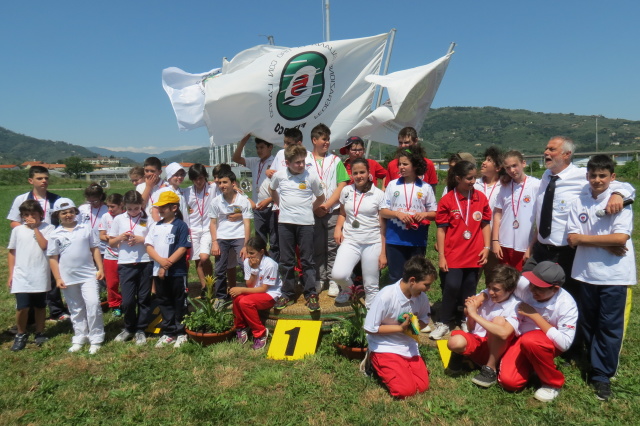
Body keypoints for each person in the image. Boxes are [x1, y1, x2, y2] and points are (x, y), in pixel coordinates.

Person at [566, 154, 636, 401]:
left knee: (608, 326)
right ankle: (590, 361)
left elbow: (620, 239)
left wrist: (588, 240)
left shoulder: (621, 202)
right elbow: (572, 238)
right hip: (585, 273)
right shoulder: (580, 201)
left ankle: (602, 376)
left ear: (612, 177)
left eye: (602, 176)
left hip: (614, 275)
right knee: (587, 322)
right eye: (593, 175)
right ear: (587, 176)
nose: (597, 180)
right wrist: (604, 242)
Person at [497, 261, 578, 402]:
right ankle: (532, 366)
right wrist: (481, 296)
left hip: (542, 342)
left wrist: (535, 316)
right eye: (532, 284)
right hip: (520, 337)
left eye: (539, 288)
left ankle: (552, 383)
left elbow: (564, 344)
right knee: (509, 382)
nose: (532, 289)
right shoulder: (526, 285)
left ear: (555, 289)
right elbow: (499, 285)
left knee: (531, 341)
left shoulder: (567, 304)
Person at [431, 161, 491, 340]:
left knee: (469, 288)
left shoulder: (480, 198)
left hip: (474, 253)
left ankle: (466, 319)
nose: (473, 181)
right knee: (451, 286)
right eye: (469, 178)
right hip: (453, 253)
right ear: (458, 178)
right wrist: (442, 256)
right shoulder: (448, 199)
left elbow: (485, 224)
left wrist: (486, 247)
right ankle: (444, 322)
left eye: (475, 178)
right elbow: (441, 230)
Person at [363, 255, 436, 399]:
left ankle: (401, 367)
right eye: (426, 284)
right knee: (405, 391)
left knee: (422, 386)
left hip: (408, 345)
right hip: (384, 345)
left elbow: (424, 320)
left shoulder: (421, 297)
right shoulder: (386, 296)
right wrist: (400, 328)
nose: (428, 289)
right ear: (412, 281)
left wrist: (412, 326)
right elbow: (370, 328)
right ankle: (372, 362)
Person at [7, 165, 68, 321]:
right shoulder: (21, 199)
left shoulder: (57, 199)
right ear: (30, 180)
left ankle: (56, 311)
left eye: (46, 178)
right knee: (32, 275)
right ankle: (32, 314)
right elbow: (14, 222)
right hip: (31, 242)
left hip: (51, 242)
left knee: (52, 276)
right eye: (39, 178)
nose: (44, 181)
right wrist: (28, 229)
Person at [446, 264, 520, 388]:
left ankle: (490, 369)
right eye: (489, 287)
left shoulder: (515, 306)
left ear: (510, 290)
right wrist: (469, 312)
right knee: (455, 342)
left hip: (498, 348)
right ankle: (469, 359)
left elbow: (503, 333)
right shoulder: (485, 295)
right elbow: (470, 328)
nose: (491, 292)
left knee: (499, 322)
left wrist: (474, 314)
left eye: (496, 289)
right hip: (479, 340)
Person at [270, 144, 325, 312]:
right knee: (286, 260)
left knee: (307, 260)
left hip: (306, 224)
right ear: (287, 163)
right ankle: (287, 293)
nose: (301, 165)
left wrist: (310, 208)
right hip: (285, 223)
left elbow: (321, 197)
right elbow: (272, 190)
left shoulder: (312, 176)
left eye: (303, 161)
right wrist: (281, 205)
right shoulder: (279, 176)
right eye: (297, 162)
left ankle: (310, 294)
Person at [47, 198, 105, 354]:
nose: (68, 215)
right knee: (76, 308)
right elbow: (53, 257)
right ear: (58, 215)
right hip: (68, 276)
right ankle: (80, 337)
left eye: (71, 212)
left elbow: (95, 249)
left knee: (93, 304)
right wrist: (58, 278)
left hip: (88, 274)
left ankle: (96, 338)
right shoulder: (55, 234)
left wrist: (100, 268)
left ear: (75, 212)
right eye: (64, 213)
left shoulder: (85, 228)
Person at [331, 158, 387, 306]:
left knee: (371, 285)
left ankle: (370, 319)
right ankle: (348, 289)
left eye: (362, 172)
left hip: (372, 242)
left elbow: (383, 225)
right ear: (351, 175)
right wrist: (338, 229)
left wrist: (383, 252)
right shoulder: (346, 191)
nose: (359, 176)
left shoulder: (379, 194)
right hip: (351, 240)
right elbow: (343, 213)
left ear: (369, 173)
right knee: (338, 274)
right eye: (355, 173)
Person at [380, 145, 437, 285]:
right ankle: (396, 306)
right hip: (395, 239)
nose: (401, 167)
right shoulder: (392, 185)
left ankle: (414, 305)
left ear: (416, 166)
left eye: (405, 164)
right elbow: (382, 211)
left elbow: (435, 213)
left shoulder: (425, 188)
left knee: (416, 276)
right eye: (399, 164)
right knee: (395, 277)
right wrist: (397, 214)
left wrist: (424, 215)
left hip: (417, 239)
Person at [145, 191, 191, 349]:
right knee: (163, 301)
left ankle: (181, 332)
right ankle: (169, 331)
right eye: (159, 207)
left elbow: (183, 247)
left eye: (164, 207)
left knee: (179, 302)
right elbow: (149, 246)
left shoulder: (181, 226)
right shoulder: (155, 226)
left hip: (177, 272)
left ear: (174, 208)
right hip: (158, 272)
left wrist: (167, 263)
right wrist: (160, 262)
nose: (160, 210)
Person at [7, 200, 55, 351]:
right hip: (22, 274)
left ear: (40, 214)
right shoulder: (18, 230)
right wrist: (11, 273)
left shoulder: (49, 228)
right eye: (26, 215)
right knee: (22, 307)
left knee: (40, 306)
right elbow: (12, 252)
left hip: (40, 272)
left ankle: (40, 332)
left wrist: (35, 229)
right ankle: (21, 333)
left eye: (33, 214)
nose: (29, 217)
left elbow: (44, 245)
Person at [309, 123, 350, 296]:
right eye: (324, 139)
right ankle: (319, 278)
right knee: (316, 246)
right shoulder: (304, 160)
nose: (327, 142)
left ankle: (333, 280)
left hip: (331, 210)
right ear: (314, 140)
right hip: (311, 210)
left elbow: (342, 184)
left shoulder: (335, 160)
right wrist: (316, 206)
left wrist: (327, 204)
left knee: (333, 246)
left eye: (328, 139)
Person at [109, 190, 153, 346]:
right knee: (127, 300)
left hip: (145, 261)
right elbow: (111, 242)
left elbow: (155, 237)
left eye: (136, 208)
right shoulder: (119, 219)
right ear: (124, 206)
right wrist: (121, 237)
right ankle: (129, 327)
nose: (134, 212)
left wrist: (142, 239)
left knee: (143, 298)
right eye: (130, 209)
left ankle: (141, 329)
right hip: (126, 263)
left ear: (141, 205)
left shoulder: (147, 218)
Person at [209, 170, 253, 309]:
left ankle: (250, 292)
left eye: (225, 182)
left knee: (244, 264)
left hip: (239, 236)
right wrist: (215, 242)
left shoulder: (243, 200)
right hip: (222, 237)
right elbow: (213, 223)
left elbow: (247, 223)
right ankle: (221, 297)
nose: (222, 185)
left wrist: (246, 245)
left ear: (233, 183)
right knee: (220, 269)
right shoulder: (216, 201)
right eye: (220, 183)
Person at [229, 236, 282, 350]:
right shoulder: (248, 262)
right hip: (256, 292)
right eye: (247, 252)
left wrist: (241, 289)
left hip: (270, 294)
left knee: (245, 302)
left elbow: (264, 289)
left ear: (262, 252)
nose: (248, 256)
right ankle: (241, 327)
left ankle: (260, 334)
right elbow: (250, 285)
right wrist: (254, 270)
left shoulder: (270, 264)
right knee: (237, 297)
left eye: (252, 253)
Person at [492, 151, 541, 271]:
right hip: (504, 244)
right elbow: (498, 214)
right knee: (505, 281)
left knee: (521, 283)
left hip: (524, 245)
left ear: (523, 163)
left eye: (514, 165)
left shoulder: (536, 185)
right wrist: (495, 241)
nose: (512, 170)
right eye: (508, 168)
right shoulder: (504, 186)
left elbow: (540, 220)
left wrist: (531, 246)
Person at [232, 135, 277, 260]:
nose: (259, 150)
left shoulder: (276, 162)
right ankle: (261, 267)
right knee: (259, 242)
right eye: (257, 147)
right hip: (258, 208)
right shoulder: (255, 161)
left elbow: (280, 187)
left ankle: (274, 269)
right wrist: (243, 141)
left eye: (262, 147)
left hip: (272, 207)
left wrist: (269, 200)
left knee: (274, 242)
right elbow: (235, 158)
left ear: (270, 147)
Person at [183, 164, 216, 291]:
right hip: (194, 229)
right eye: (195, 179)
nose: (198, 181)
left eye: (201, 178)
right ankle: (205, 288)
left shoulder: (212, 187)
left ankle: (210, 283)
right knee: (197, 259)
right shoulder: (187, 192)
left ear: (206, 177)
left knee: (204, 257)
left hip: (208, 228)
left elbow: (226, 182)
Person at [475, 146, 504, 284]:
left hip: (495, 240)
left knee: (493, 278)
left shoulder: (504, 186)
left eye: (489, 160)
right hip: (475, 239)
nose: (484, 163)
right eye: (484, 159)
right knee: (472, 276)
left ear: (498, 167)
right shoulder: (474, 184)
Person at [384, 127, 438, 194]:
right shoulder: (392, 164)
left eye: (407, 142)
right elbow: (388, 191)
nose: (403, 146)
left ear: (415, 141)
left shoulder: (427, 163)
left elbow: (432, 191)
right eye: (400, 143)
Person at [98, 193, 124, 316]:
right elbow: (101, 235)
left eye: (113, 206)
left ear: (121, 205)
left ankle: (127, 302)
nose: (110, 209)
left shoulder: (126, 216)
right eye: (108, 206)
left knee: (125, 282)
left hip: (125, 255)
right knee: (112, 283)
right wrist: (110, 237)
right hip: (110, 255)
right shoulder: (105, 216)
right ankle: (115, 304)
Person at [136, 156, 168, 224]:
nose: (149, 173)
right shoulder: (140, 187)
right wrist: (148, 187)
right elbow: (140, 206)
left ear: (159, 172)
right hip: (144, 220)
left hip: (161, 220)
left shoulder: (166, 186)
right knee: (143, 234)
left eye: (152, 171)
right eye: (146, 171)